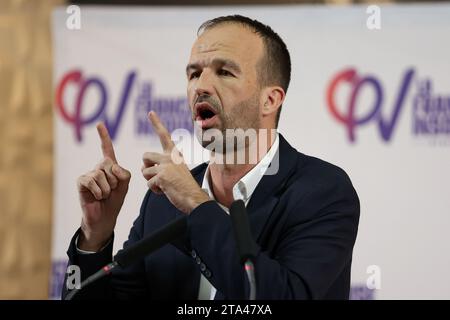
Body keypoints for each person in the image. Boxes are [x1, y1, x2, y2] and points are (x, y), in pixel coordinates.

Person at [63, 15, 360, 300]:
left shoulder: (322, 192)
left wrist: (197, 205)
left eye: (224, 72)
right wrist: (94, 237)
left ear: (269, 99)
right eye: (194, 73)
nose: (200, 87)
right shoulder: (162, 201)